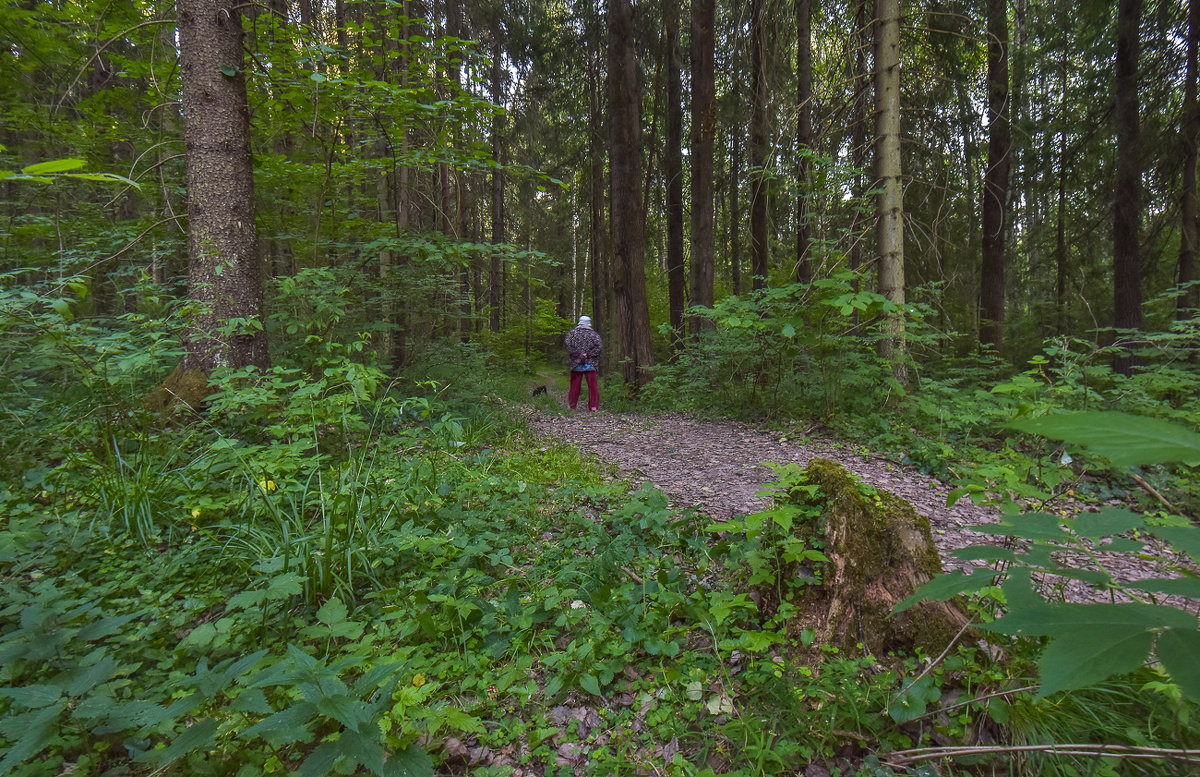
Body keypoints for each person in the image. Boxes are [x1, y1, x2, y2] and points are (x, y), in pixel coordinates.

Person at [564, 315, 603, 411]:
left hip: (576, 363)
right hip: (591, 363)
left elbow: (567, 343)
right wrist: (589, 354)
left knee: (574, 386)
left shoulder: (573, 333)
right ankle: (593, 407)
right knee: (593, 386)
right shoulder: (594, 334)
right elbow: (599, 346)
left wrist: (577, 354)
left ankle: (572, 406)